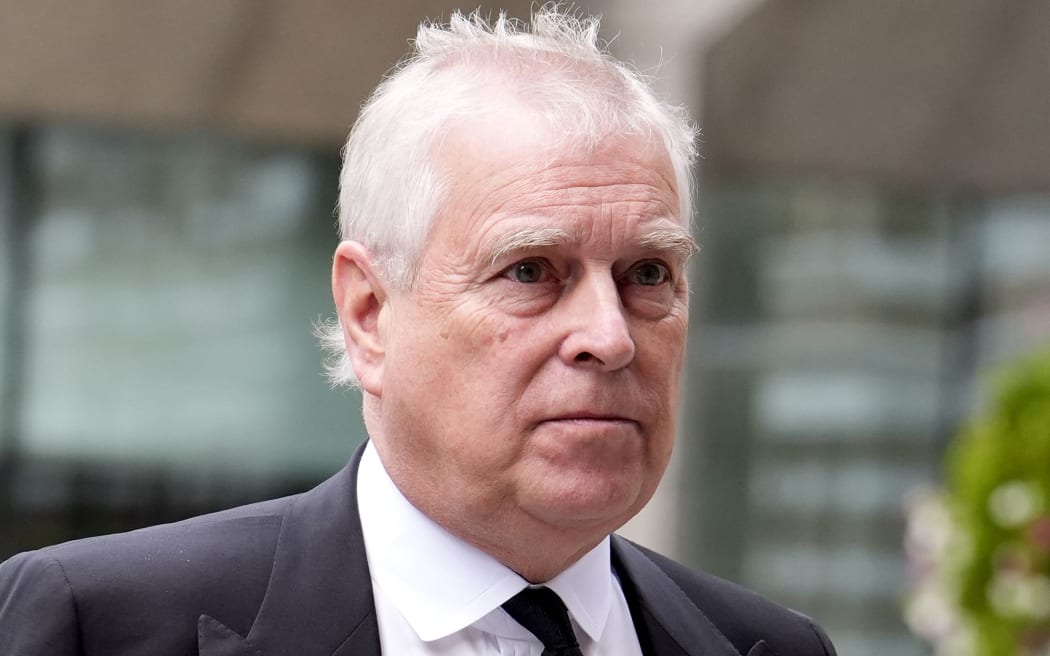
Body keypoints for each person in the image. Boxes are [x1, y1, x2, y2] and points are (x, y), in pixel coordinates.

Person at [0, 8, 836, 656]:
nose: (608, 338)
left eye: (647, 275)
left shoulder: (771, 647)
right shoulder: (100, 626)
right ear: (370, 314)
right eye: (530, 272)